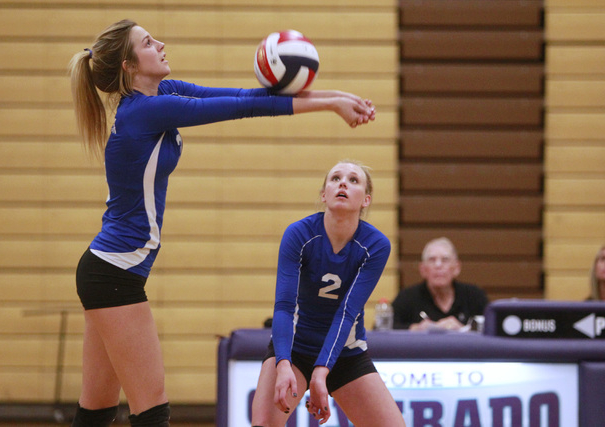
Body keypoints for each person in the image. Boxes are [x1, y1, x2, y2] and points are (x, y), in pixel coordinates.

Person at [68, 20, 376, 427]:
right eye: (147, 42)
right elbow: (244, 108)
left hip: (107, 269)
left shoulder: (163, 92)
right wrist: (332, 104)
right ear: (128, 65)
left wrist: (338, 97)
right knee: (152, 410)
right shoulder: (146, 111)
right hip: (115, 274)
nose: (160, 43)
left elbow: (240, 95)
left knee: (96, 411)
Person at [251, 161, 406, 427]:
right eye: (335, 178)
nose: (343, 183)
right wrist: (283, 364)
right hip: (294, 350)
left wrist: (321, 372)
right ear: (324, 194)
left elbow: (348, 311)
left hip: (346, 354)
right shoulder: (299, 234)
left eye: (354, 180)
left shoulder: (375, 245)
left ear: (366, 200)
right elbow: (284, 307)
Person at [392, 237, 488, 331]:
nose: (438, 265)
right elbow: (384, 330)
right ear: (422, 269)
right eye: (432, 260)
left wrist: (463, 329)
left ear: (456, 268)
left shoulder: (474, 296)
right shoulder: (407, 298)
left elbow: (492, 329)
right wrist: (416, 328)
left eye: (445, 260)